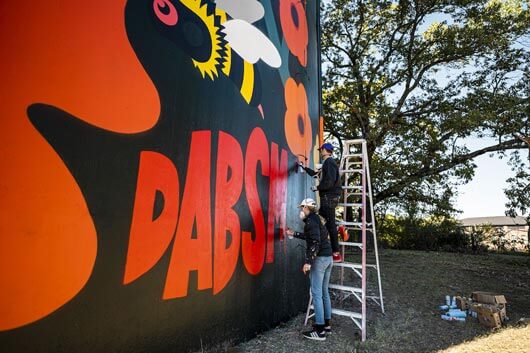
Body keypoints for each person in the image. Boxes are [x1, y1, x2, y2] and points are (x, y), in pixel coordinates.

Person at [286, 198, 333, 341]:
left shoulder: (311, 221)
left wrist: (308, 262)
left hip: (319, 260)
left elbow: (315, 242)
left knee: (316, 294)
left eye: (302, 208)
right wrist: (294, 234)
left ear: (307, 208)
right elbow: (312, 237)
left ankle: (319, 331)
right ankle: (326, 326)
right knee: (324, 292)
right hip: (328, 258)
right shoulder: (315, 219)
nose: (301, 210)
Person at [301, 143, 342, 262]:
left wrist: (317, 188)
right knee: (321, 222)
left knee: (329, 224)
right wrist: (304, 168)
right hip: (328, 197)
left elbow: (329, 182)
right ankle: (337, 231)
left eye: (321, 150)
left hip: (329, 197)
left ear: (325, 150)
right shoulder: (327, 164)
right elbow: (316, 175)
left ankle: (336, 253)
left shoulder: (329, 162)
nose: (320, 151)